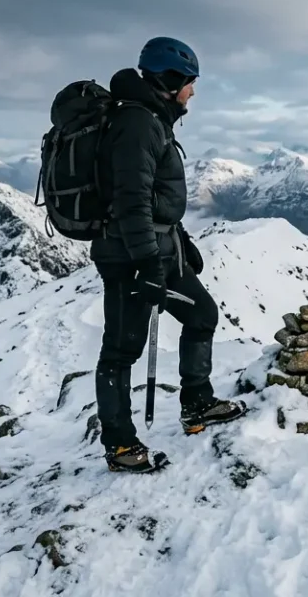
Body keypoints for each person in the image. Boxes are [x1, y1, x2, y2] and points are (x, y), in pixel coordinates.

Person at [91, 36, 245, 473]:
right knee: (122, 350)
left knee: (201, 315)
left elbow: (156, 197)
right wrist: (149, 265)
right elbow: (131, 200)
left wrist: (180, 242)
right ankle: (120, 446)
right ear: (170, 80)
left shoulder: (153, 120)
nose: (192, 91)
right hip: (129, 257)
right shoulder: (138, 124)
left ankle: (197, 404)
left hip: (157, 249)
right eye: (190, 82)